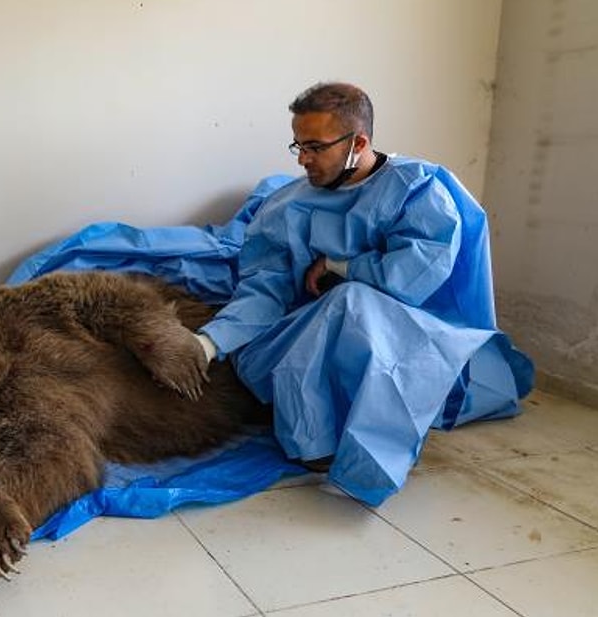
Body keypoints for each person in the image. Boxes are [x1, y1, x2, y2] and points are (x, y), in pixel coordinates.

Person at [195, 81, 533, 506]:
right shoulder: (287, 206)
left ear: (358, 143)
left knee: (350, 301)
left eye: (315, 147)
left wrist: (342, 266)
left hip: (412, 333)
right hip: (307, 337)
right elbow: (264, 289)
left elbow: (416, 277)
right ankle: (314, 436)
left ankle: (355, 449)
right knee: (331, 312)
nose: (302, 159)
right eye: (298, 145)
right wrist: (207, 344)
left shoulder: (416, 189)